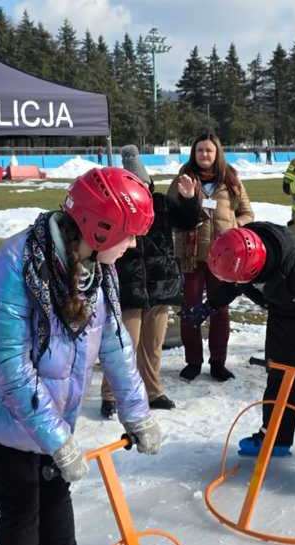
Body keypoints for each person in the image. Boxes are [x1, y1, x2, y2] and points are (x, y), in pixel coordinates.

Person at [0, 167, 164, 545]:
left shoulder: (98, 270)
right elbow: (9, 366)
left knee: (55, 497)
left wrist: (137, 414)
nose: (132, 245)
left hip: (46, 410)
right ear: (101, 229)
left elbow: (113, 342)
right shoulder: (15, 266)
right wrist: (57, 439)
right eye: (129, 235)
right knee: (22, 511)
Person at [200, 224, 295, 494]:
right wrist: (212, 303)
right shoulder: (240, 246)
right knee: (278, 379)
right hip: (282, 316)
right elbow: (235, 282)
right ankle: (277, 438)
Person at [99, 145, 201, 419]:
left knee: (153, 346)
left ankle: (152, 390)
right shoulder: (115, 206)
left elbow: (188, 221)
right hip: (129, 287)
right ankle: (110, 395)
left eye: (142, 183)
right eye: (132, 183)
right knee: (122, 345)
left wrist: (190, 198)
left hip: (160, 285)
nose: (138, 188)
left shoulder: (161, 203)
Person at [172, 133, 255, 382]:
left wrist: (233, 227)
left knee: (220, 309)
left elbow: (247, 213)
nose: (204, 155)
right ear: (193, 153)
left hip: (223, 258)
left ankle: (218, 362)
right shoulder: (183, 178)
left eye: (209, 150)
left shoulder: (231, 180)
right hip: (191, 256)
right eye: (200, 151)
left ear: (217, 152)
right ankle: (193, 362)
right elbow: (171, 213)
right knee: (190, 310)